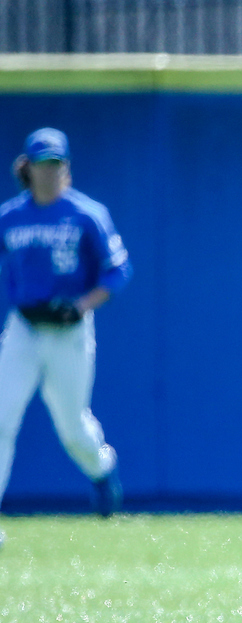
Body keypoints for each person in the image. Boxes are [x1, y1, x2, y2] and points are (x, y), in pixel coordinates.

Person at [0, 128, 131, 525]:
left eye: (56, 164)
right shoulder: (10, 217)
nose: (49, 171)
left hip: (69, 331)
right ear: (28, 167)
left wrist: (82, 305)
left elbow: (118, 270)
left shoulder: (86, 213)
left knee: (73, 427)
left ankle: (102, 468)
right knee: (2, 418)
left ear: (66, 167)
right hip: (24, 328)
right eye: (42, 164)